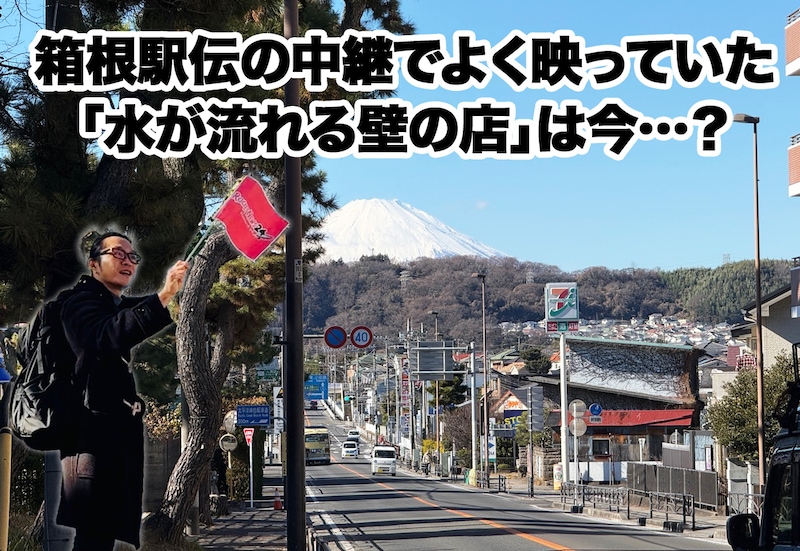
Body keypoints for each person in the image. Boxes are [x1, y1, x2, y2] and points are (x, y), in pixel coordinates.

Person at [55, 230, 189, 551]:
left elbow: (130, 311)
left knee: (97, 537)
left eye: (132, 256)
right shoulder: (79, 302)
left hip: (105, 439)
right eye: (117, 254)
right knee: (93, 537)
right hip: (90, 440)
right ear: (94, 265)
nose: (127, 261)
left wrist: (166, 294)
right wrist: (164, 294)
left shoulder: (106, 302)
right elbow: (107, 335)